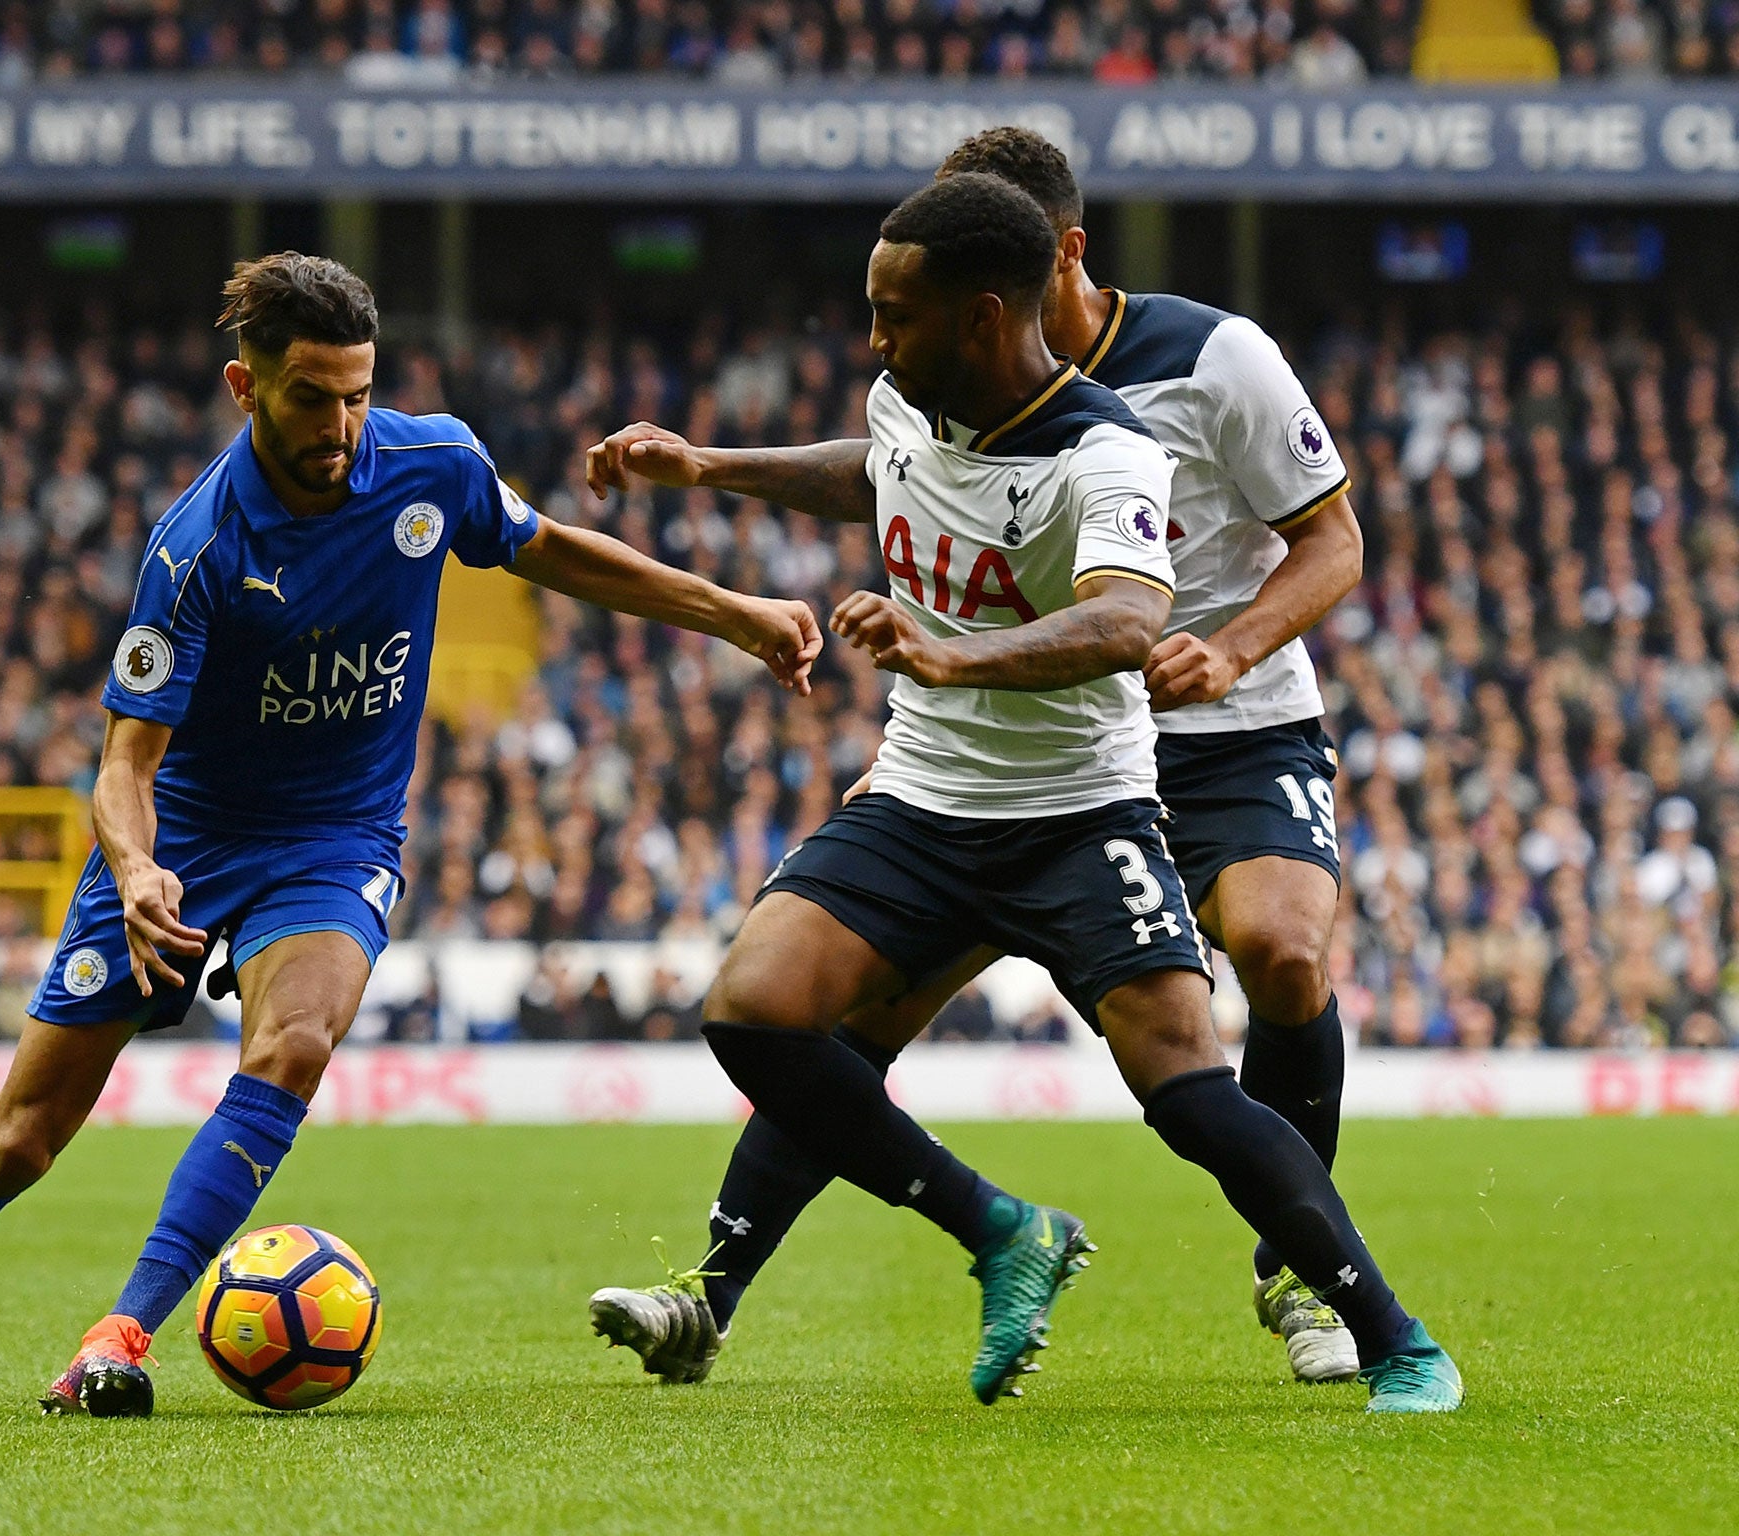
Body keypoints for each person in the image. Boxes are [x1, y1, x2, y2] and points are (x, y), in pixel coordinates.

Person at [0, 252, 821, 1417]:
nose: (344, 423)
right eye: (313, 397)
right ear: (246, 389)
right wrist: (138, 867)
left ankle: (120, 1336)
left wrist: (732, 611)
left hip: (336, 837)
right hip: (184, 841)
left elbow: (545, 547)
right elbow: (123, 763)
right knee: (20, 1139)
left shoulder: (433, 463)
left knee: (292, 1043)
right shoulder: (196, 548)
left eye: (359, 392)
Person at [583, 173, 1460, 1413]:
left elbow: (1127, 615)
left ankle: (1381, 1328)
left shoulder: (1126, 436)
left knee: (1203, 1061)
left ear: (994, 307)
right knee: (760, 1010)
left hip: (1094, 798)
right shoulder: (912, 397)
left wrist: (954, 653)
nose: (873, 340)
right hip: (929, 795)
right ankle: (976, 1238)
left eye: (895, 312)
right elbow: (880, 470)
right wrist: (708, 467)